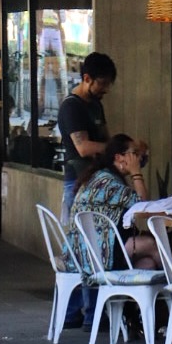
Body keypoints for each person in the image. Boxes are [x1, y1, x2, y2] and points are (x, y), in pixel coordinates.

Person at [67, 134, 161, 282]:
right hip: (96, 251)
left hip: (88, 249)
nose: (138, 158)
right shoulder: (108, 182)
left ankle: (132, 304)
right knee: (151, 244)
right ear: (119, 158)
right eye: (134, 154)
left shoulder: (102, 176)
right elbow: (141, 204)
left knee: (148, 264)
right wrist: (136, 172)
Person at [57, 52, 125, 224]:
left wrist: (122, 148)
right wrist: (119, 148)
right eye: (102, 84)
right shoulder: (71, 106)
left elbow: (106, 138)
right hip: (77, 182)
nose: (106, 89)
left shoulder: (96, 105)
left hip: (97, 178)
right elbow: (83, 147)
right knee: (83, 236)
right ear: (87, 78)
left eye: (108, 84)